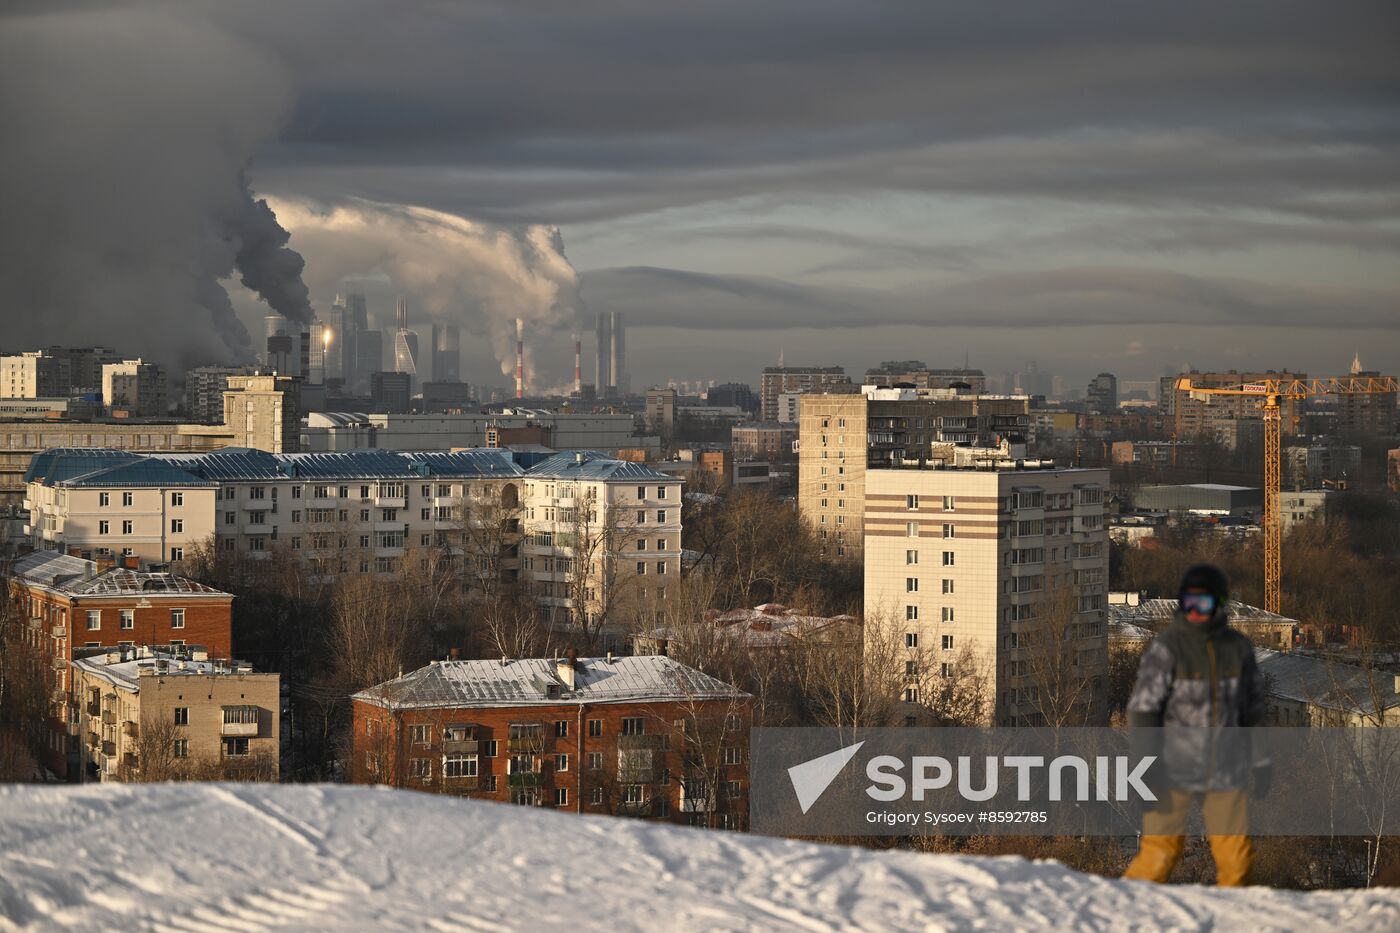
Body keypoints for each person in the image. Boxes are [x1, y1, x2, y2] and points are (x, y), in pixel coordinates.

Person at [1121, 564, 1269, 886]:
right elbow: (1143, 712)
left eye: (1202, 604)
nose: (1194, 613)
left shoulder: (1237, 649)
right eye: (1188, 603)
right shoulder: (1168, 648)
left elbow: (1251, 713)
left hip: (1225, 769)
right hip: (1173, 768)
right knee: (1159, 855)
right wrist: (1145, 769)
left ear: (1219, 604)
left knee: (1237, 860)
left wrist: (1260, 760)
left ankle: (1228, 912)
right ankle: (1124, 907)